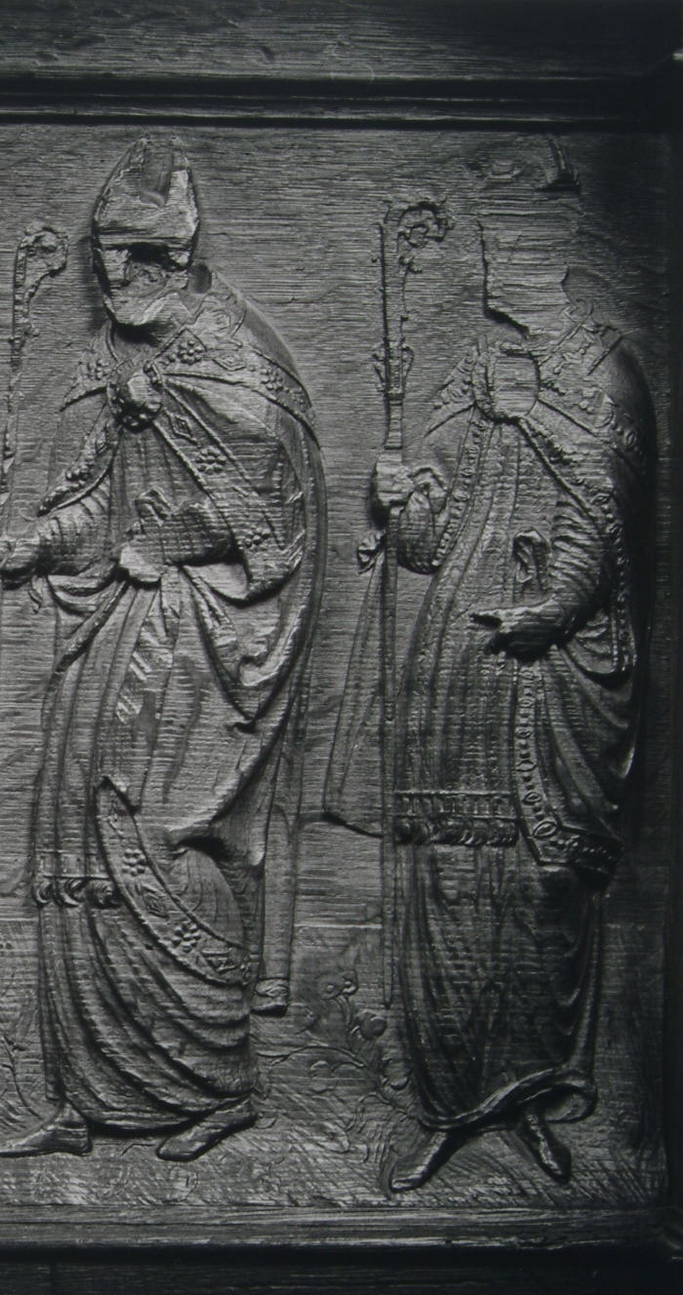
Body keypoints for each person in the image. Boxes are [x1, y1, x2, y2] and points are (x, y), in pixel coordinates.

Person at [0, 138, 323, 1162]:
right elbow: (103, 501)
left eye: (139, 258)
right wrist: (38, 541)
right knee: (81, 849)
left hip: (202, 651)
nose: (116, 280)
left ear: (178, 257)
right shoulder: (127, 360)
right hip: (116, 640)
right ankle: (88, 1095)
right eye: (106, 260)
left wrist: (169, 543)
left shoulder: (239, 364)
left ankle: (214, 1083)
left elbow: (274, 526)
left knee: (165, 845)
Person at [371, 192, 651, 1192]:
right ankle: (447, 1102)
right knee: (447, 878)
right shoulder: (475, 366)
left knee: (538, 886)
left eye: (507, 243)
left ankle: (524, 1096)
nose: (489, 263)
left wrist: (554, 609)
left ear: (554, 248)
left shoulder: (605, 372)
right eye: (486, 244)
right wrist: (404, 500)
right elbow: (434, 539)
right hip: (458, 664)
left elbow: (610, 517)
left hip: (546, 675)